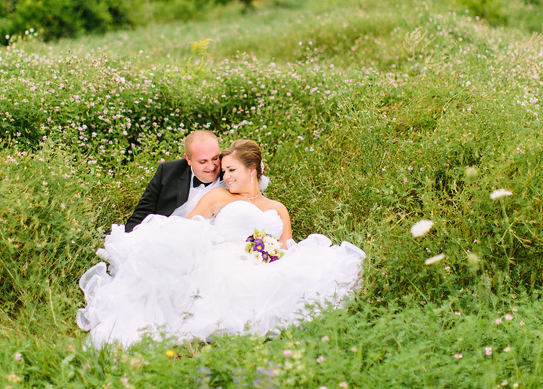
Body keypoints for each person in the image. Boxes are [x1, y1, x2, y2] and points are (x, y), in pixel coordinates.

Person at [77, 139, 365, 348]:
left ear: (252, 169)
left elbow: (288, 243)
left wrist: (272, 253)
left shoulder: (277, 207)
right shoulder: (218, 198)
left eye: (230, 170)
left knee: (307, 272)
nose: (223, 177)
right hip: (223, 259)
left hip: (266, 263)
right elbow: (185, 229)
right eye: (223, 171)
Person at [124, 130, 223, 232]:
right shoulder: (168, 172)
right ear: (188, 159)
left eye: (215, 158)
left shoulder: (230, 174)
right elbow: (141, 214)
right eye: (203, 162)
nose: (211, 167)